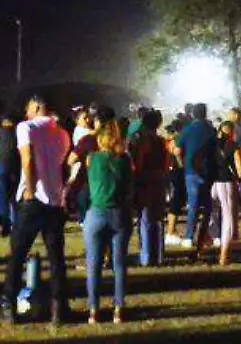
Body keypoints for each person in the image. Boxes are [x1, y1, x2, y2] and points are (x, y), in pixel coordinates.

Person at [1, 94, 73, 325]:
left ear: (37, 106)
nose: (26, 112)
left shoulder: (26, 127)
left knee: (17, 254)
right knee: (56, 257)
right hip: (55, 200)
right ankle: (59, 308)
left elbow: (27, 160)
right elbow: (60, 165)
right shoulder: (62, 134)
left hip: (34, 199)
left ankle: (8, 305)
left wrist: (29, 189)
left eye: (28, 108)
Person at [82, 117, 133, 325]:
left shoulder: (91, 159)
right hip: (119, 213)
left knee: (93, 265)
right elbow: (130, 188)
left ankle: (93, 310)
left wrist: (98, 130)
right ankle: (118, 309)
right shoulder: (124, 161)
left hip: (96, 213)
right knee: (119, 264)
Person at [171, 103, 217, 261]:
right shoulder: (211, 130)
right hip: (208, 171)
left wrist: (181, 163)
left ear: (193, 114)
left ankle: (189, 236)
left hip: (191, 171)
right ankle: (205, 236)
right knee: (208, 206)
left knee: (193, 205)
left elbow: (176, 150)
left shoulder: (187, 130)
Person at [129, 108, 170, 268]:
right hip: (159, 179)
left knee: (145, 219)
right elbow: (167, 162)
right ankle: (159, 255)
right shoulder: (162, 140)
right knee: (158, 219)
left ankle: (146, 256)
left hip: (145, 180)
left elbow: (138, 163)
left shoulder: (142, 140)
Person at [207, 120, 241, 266]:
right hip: (225, 182)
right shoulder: (232, 146)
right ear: (231, 131)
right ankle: (224, 255)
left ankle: (208, 241)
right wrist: (240, 179)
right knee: (228, 217)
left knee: (212, 213)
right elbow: (240, 169)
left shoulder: (211, 145)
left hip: (211, 183)